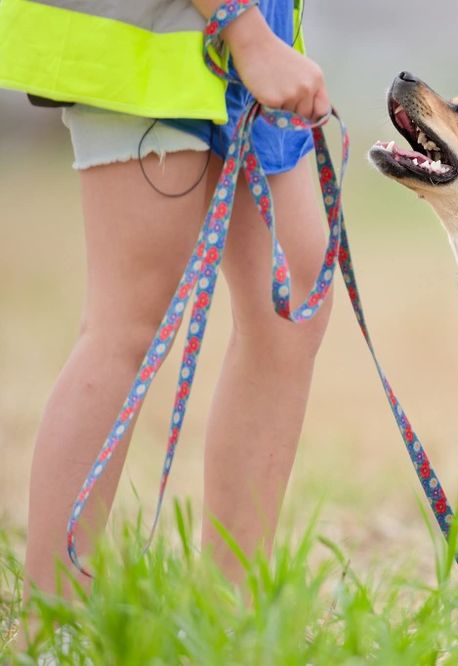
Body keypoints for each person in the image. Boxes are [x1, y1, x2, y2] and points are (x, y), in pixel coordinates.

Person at [0, 0, 333, 604]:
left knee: (293, 300)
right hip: (160, 32)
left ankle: (229, 614)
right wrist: (245, 31)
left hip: (251, 38)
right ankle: (51, 628)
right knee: (129, 324)